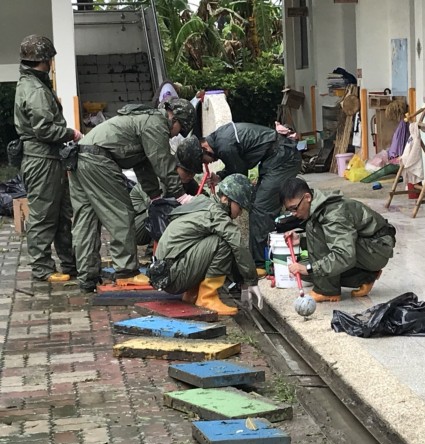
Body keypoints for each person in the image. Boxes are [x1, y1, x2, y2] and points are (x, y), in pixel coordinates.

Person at [70, 98, 196, 293]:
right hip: (99, 159)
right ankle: (126, 272)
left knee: (87, 218)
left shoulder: (143, 120)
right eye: (179, 130)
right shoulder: (157, 123)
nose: (175, 135)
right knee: (121, 213)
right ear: (176, 119)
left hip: (80, 155)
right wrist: (181, 196)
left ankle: (87, 276)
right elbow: (162, 163)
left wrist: (155, 197)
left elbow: (143, 165)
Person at [176, 122, 302, 275]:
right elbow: (237, 167)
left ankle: (260, 265)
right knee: (260, 203)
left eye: (203, 161)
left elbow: (240, 176)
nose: (208, 163)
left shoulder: (225, 146)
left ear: (205, 149)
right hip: (275, 158)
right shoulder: (219, 139)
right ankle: (268, 256)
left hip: (283, 159)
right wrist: (220, 177)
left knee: (261, 208)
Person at [13, 35, 82, 282]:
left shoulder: (34, 85)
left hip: (49, 159)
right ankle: (42, 268)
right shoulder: (35, 90)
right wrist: (71, 133)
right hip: (41, 160)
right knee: (44, 214)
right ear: (44, 60)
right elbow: (44, 130)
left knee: (62, 213)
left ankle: (70, 263)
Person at [150, 174, 262, 316]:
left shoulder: (203, 202)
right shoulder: (216, 213)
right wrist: (251, 281)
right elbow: (237, 244)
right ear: (225, 199)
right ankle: (207, 298)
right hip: (172, 276)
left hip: (166, 272)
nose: (240, 213)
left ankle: (192, 294)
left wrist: (244, 276)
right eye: (240, 207)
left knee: (214, 239)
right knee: (223, 242)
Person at [281, 177, 396, 302]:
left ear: (307, 197)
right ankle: (365, 277)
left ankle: (327, 291)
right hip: (367, 248)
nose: (293, 213)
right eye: (289, 210)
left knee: (310, 267)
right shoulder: (319, 207)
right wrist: (301, 240)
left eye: (294, 208)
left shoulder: (333, 214)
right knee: (304, 272)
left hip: (377, 249)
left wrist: (309, 269)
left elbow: (345, 255)